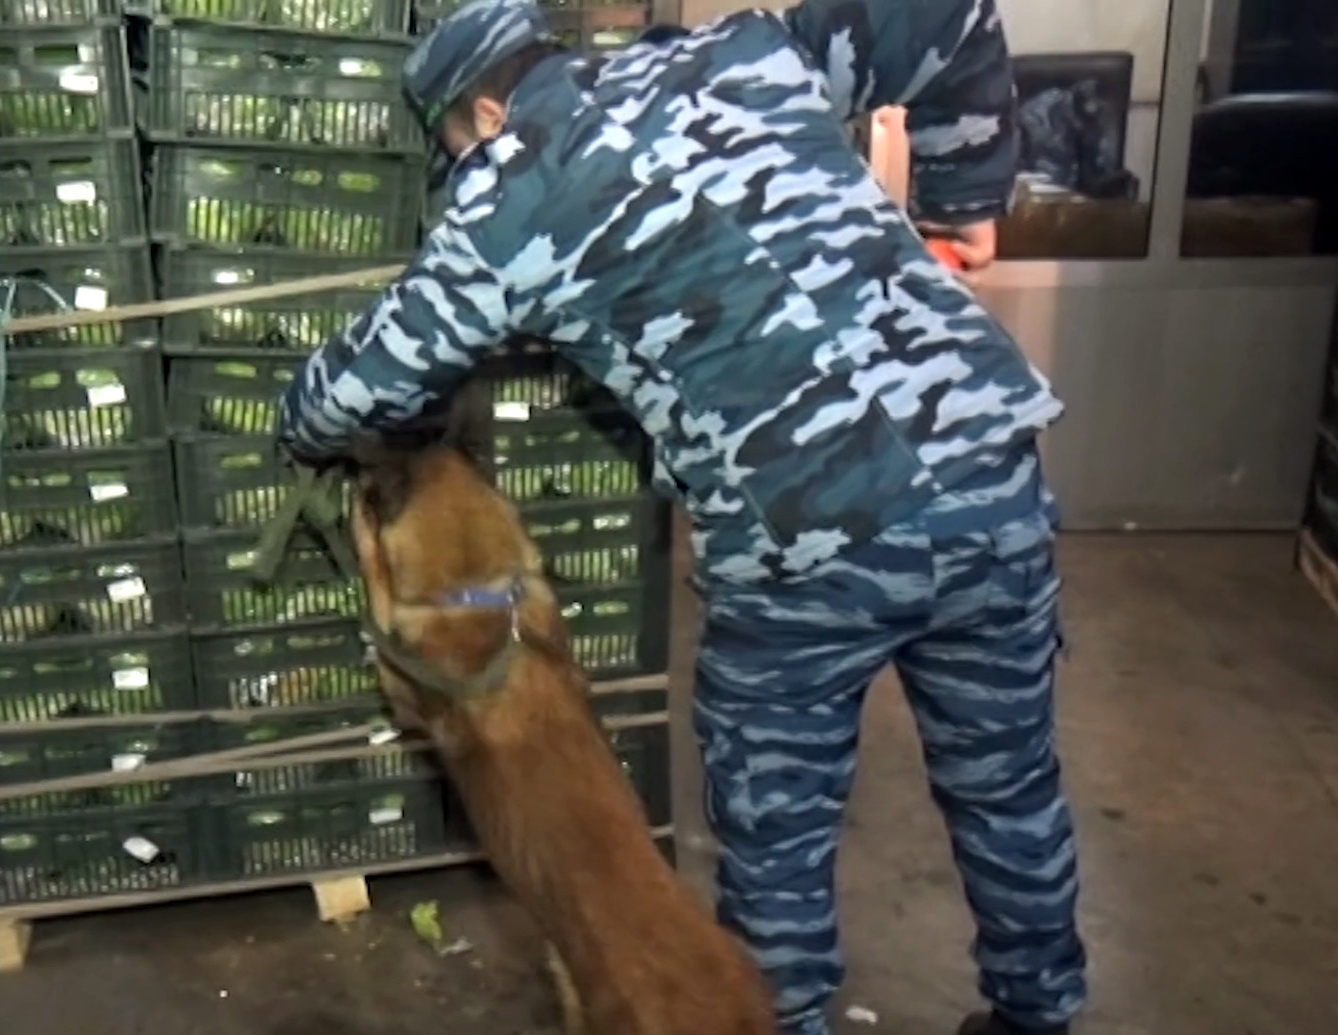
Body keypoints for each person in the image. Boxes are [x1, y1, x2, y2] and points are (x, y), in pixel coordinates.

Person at [272, 1, 1088, 1032]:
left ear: (483, 109)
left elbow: (357, 394)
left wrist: (298, 422)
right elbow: (950, 12)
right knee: (1009, 791)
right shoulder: (743, 52)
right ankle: (1039, 1015)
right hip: (988, 476)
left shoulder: (503, 204)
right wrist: (963, 202)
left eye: (456, 148)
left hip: (804, 539)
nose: (464, 169)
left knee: (777, 837)